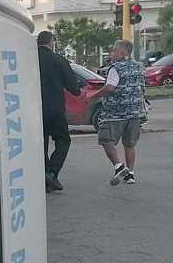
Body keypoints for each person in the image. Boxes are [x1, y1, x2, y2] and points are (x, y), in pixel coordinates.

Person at [87, 39, 146, 186]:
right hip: (135, 112)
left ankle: (119, 166)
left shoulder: (115, 68)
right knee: (130, 143)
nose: (111, 53)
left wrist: (93, 96)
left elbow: (110, 88)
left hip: (116, 112)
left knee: (105, 139)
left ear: (122, 52)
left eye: (114, 51)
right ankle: (130, 174)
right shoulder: (139, 66)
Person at [36, 30, 82, 192]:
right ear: (51, 42)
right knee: (63, 140)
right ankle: (52, 173)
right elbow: (74, 88)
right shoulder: (59, 60)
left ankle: (45, 177)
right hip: (55, 109)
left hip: (33, 110)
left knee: (40, 144)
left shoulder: (28, 59)